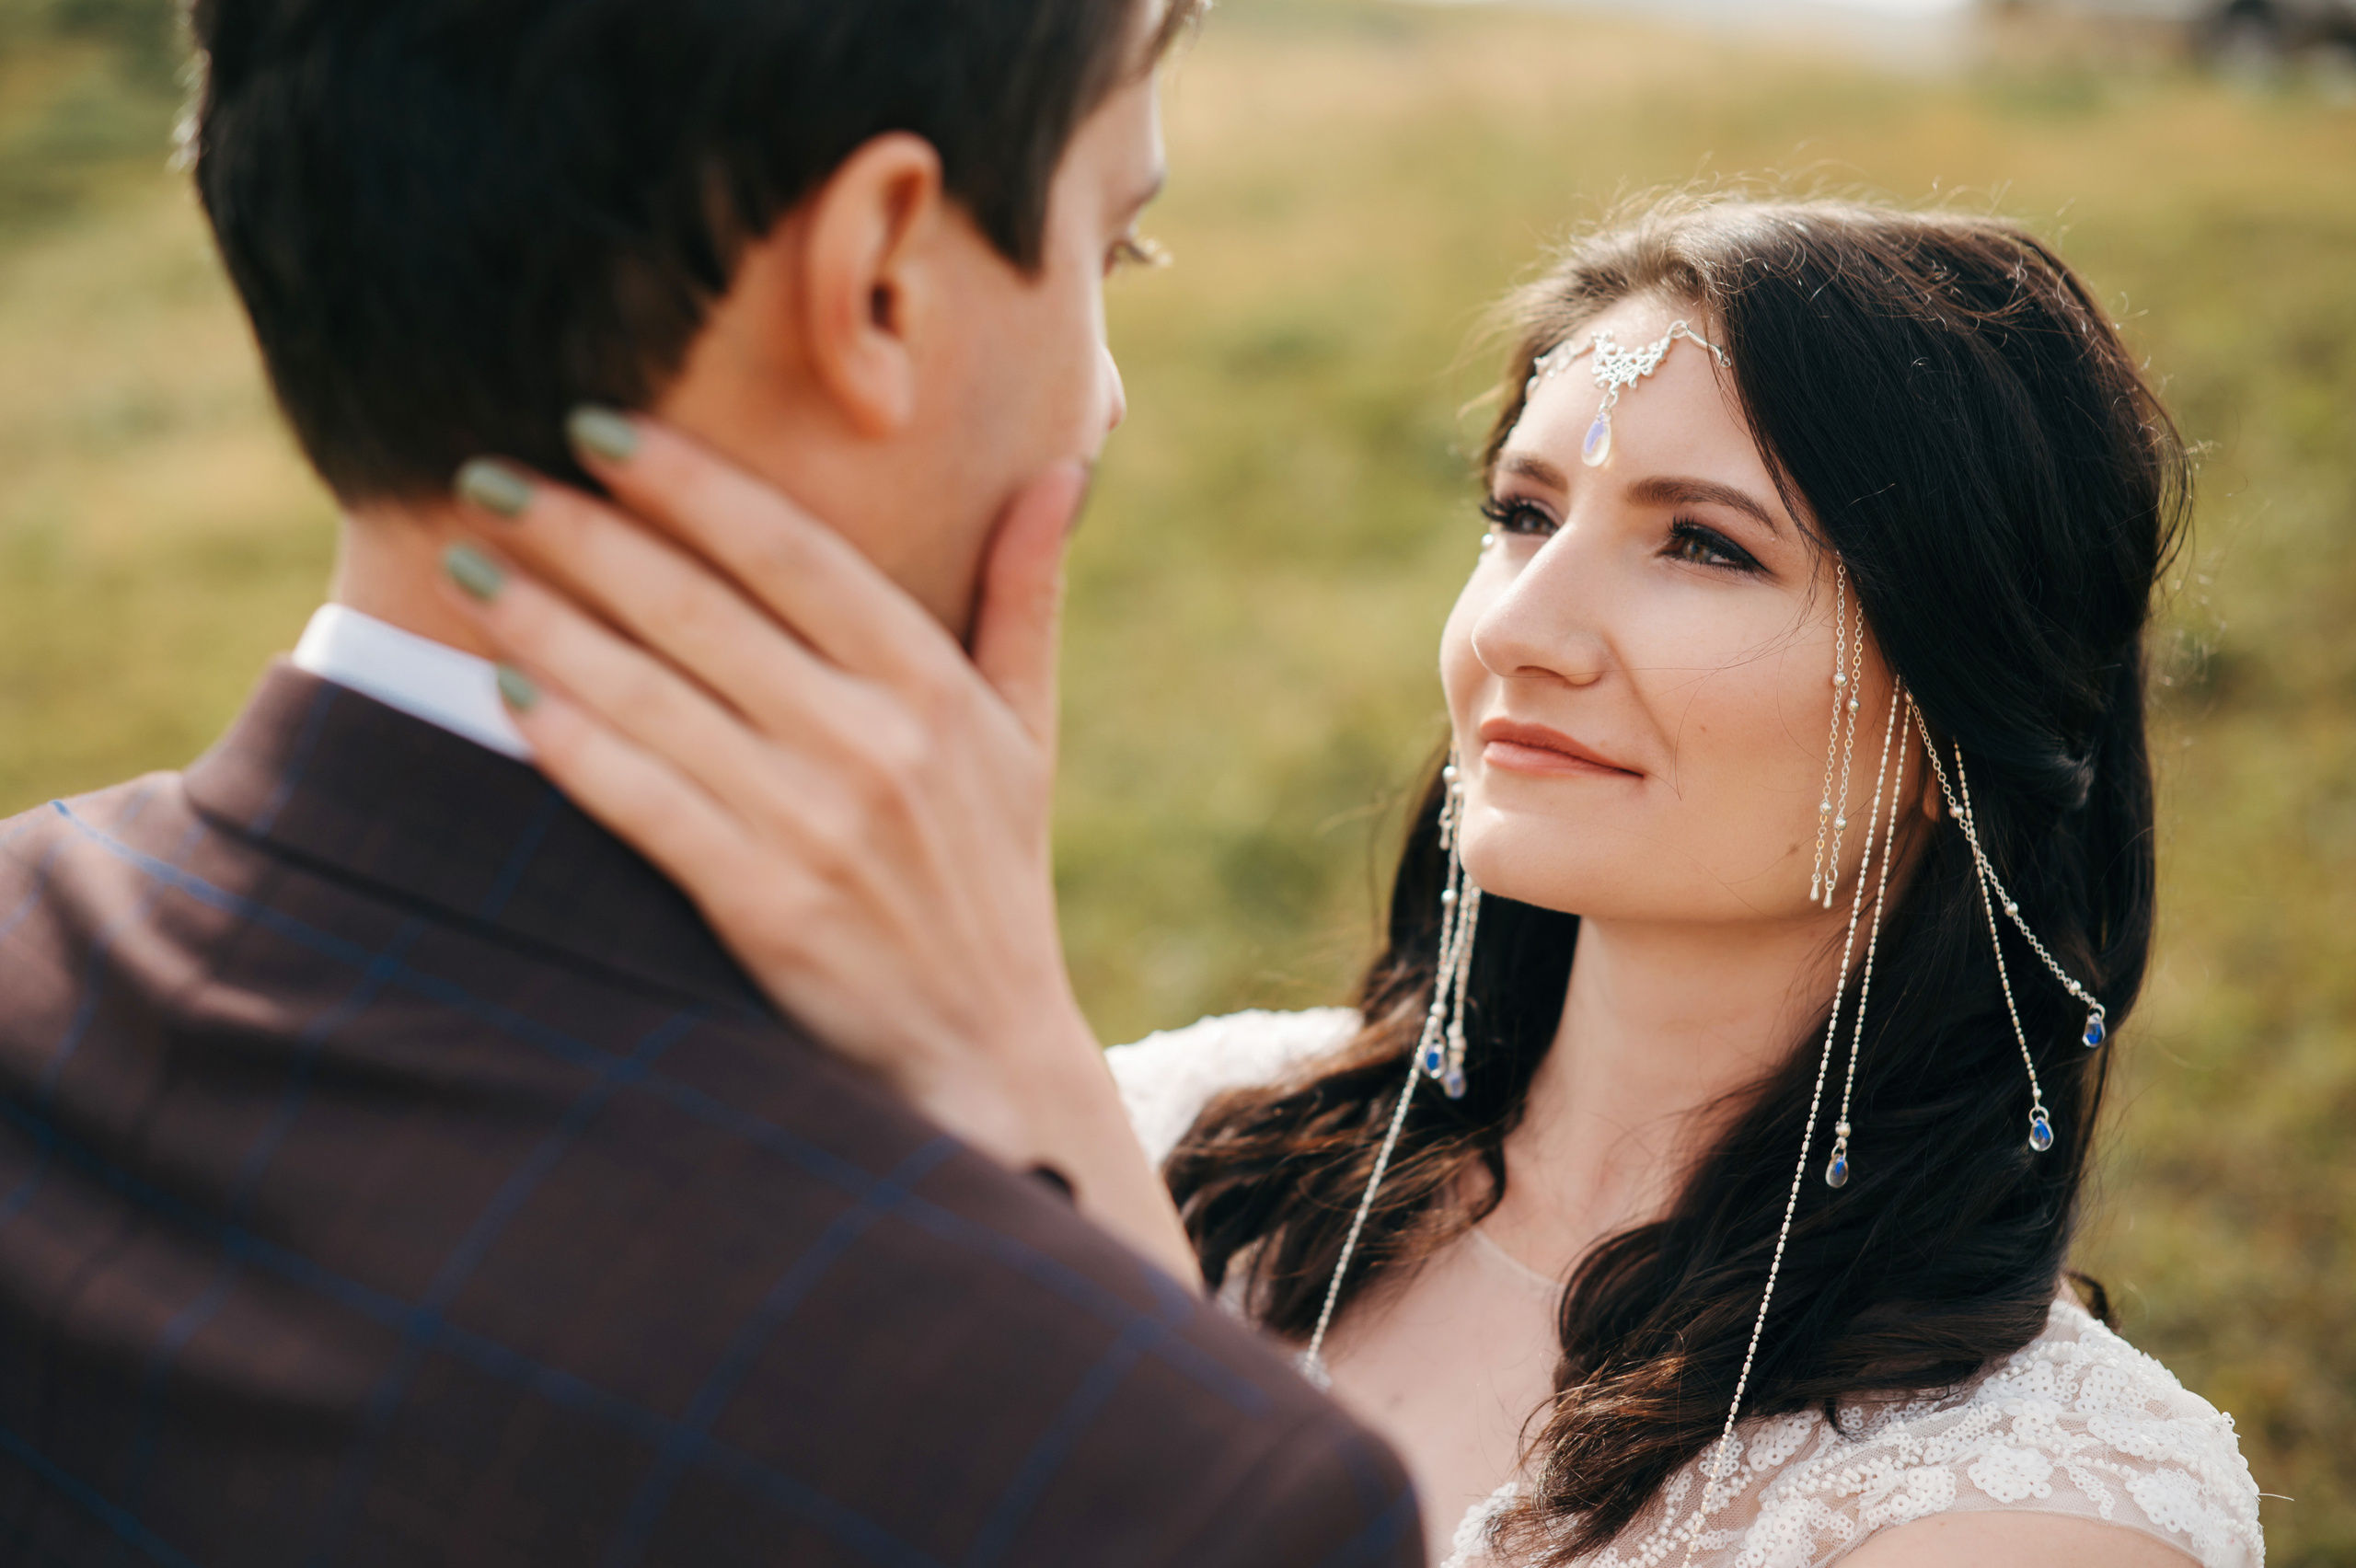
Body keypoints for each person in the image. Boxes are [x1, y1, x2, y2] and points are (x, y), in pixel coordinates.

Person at [433, 195, 2270, 1567]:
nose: (1523, 633)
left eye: (1701, 547)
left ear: (1962, 691)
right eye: (1520, 516)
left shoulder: (2025, 1501)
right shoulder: (1188, 1132)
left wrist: (999, 1022)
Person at [0, 1, 1426, 1563]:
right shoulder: (1164, 1485)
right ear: (879, 282)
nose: (1105, 399)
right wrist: (1034, 1075)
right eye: (1111, 251)